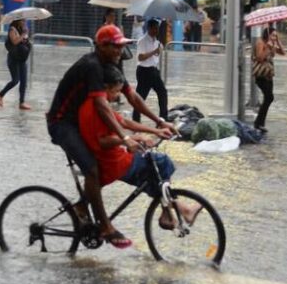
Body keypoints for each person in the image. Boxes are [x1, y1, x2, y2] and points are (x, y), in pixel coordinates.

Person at [45, 24, 175, 249]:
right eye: (113, 47)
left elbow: (132, 97)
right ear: (100, 46)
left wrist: (159, 121)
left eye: (120, 46)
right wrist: (125, 138)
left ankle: (82, 206)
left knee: (102, 165)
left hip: (80, 120)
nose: (118, 51)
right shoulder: (92, 66)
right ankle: (105, 226)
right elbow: (102, 105)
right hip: (62, 124)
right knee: (92, 169)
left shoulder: (113, 65)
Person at [80, 64, 199, 231]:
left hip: (115, 157)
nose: (116, 97)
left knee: (154, 176)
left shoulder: (100, 103)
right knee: (160, 163)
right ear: (104, 88)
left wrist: (156, 129)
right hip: (113, 163)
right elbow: (101, 141)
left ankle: (177, 211)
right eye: (115, 91)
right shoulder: (95, 108)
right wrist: (126, 140)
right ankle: (174, 211)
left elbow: (124, 122)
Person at [132, 18, 169, 124]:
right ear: (149, 28)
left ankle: (163, 117)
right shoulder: (142, 41)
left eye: (157, 29)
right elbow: (141, 57)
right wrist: (154, 52)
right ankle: (135, 120)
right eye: (154, 29)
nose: (156, 31)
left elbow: (157, 55)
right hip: (144, 71)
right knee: (140, 97)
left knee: (162, 92)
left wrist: (158, 50)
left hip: (153, 71)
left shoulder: (157, 41)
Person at [251, 26, 284, 133]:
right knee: (269, 97)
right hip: (261, 74)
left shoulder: (271, 43)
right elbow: (260, 58)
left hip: (268, 74)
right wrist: (268, 48)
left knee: (268, 98)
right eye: (273, 35)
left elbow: (283, 52)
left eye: (276, 35)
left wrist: (278, 41)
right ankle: (258, 123)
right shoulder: (260, 43)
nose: (274, 37)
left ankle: (260, 123)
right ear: (267, 34)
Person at [0, 19, 32, 109]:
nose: (24, 22)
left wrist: (26, 33)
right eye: (23, 21)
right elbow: (15, 42)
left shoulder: (22, 28)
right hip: (14, 59)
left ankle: (22, 103)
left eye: (25, 21)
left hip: (22, 59)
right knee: (15, 80)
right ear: (17, 20)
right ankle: (0, 95)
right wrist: (23, 34)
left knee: (24, 81)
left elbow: (25, 41)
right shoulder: (12, 29)